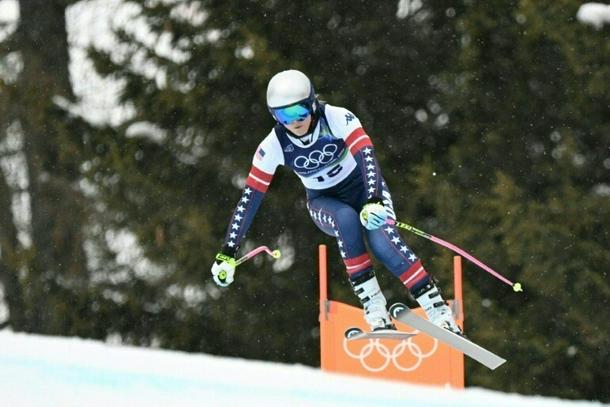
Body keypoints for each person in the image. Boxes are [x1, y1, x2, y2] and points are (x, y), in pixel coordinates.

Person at [210, 69, 461, 334]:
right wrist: (228, 251)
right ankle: (375, 309)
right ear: (274, 117)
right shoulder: (273, 145)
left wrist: (374, 199)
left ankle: (438, 312)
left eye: (300, 111)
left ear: (312, 103)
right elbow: (250, 199)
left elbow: (367, 156)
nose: (295, 122)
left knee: (383, 243)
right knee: (345, 219)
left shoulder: (336, 117)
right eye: (285, 116)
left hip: (365, 189)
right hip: (324, 201)